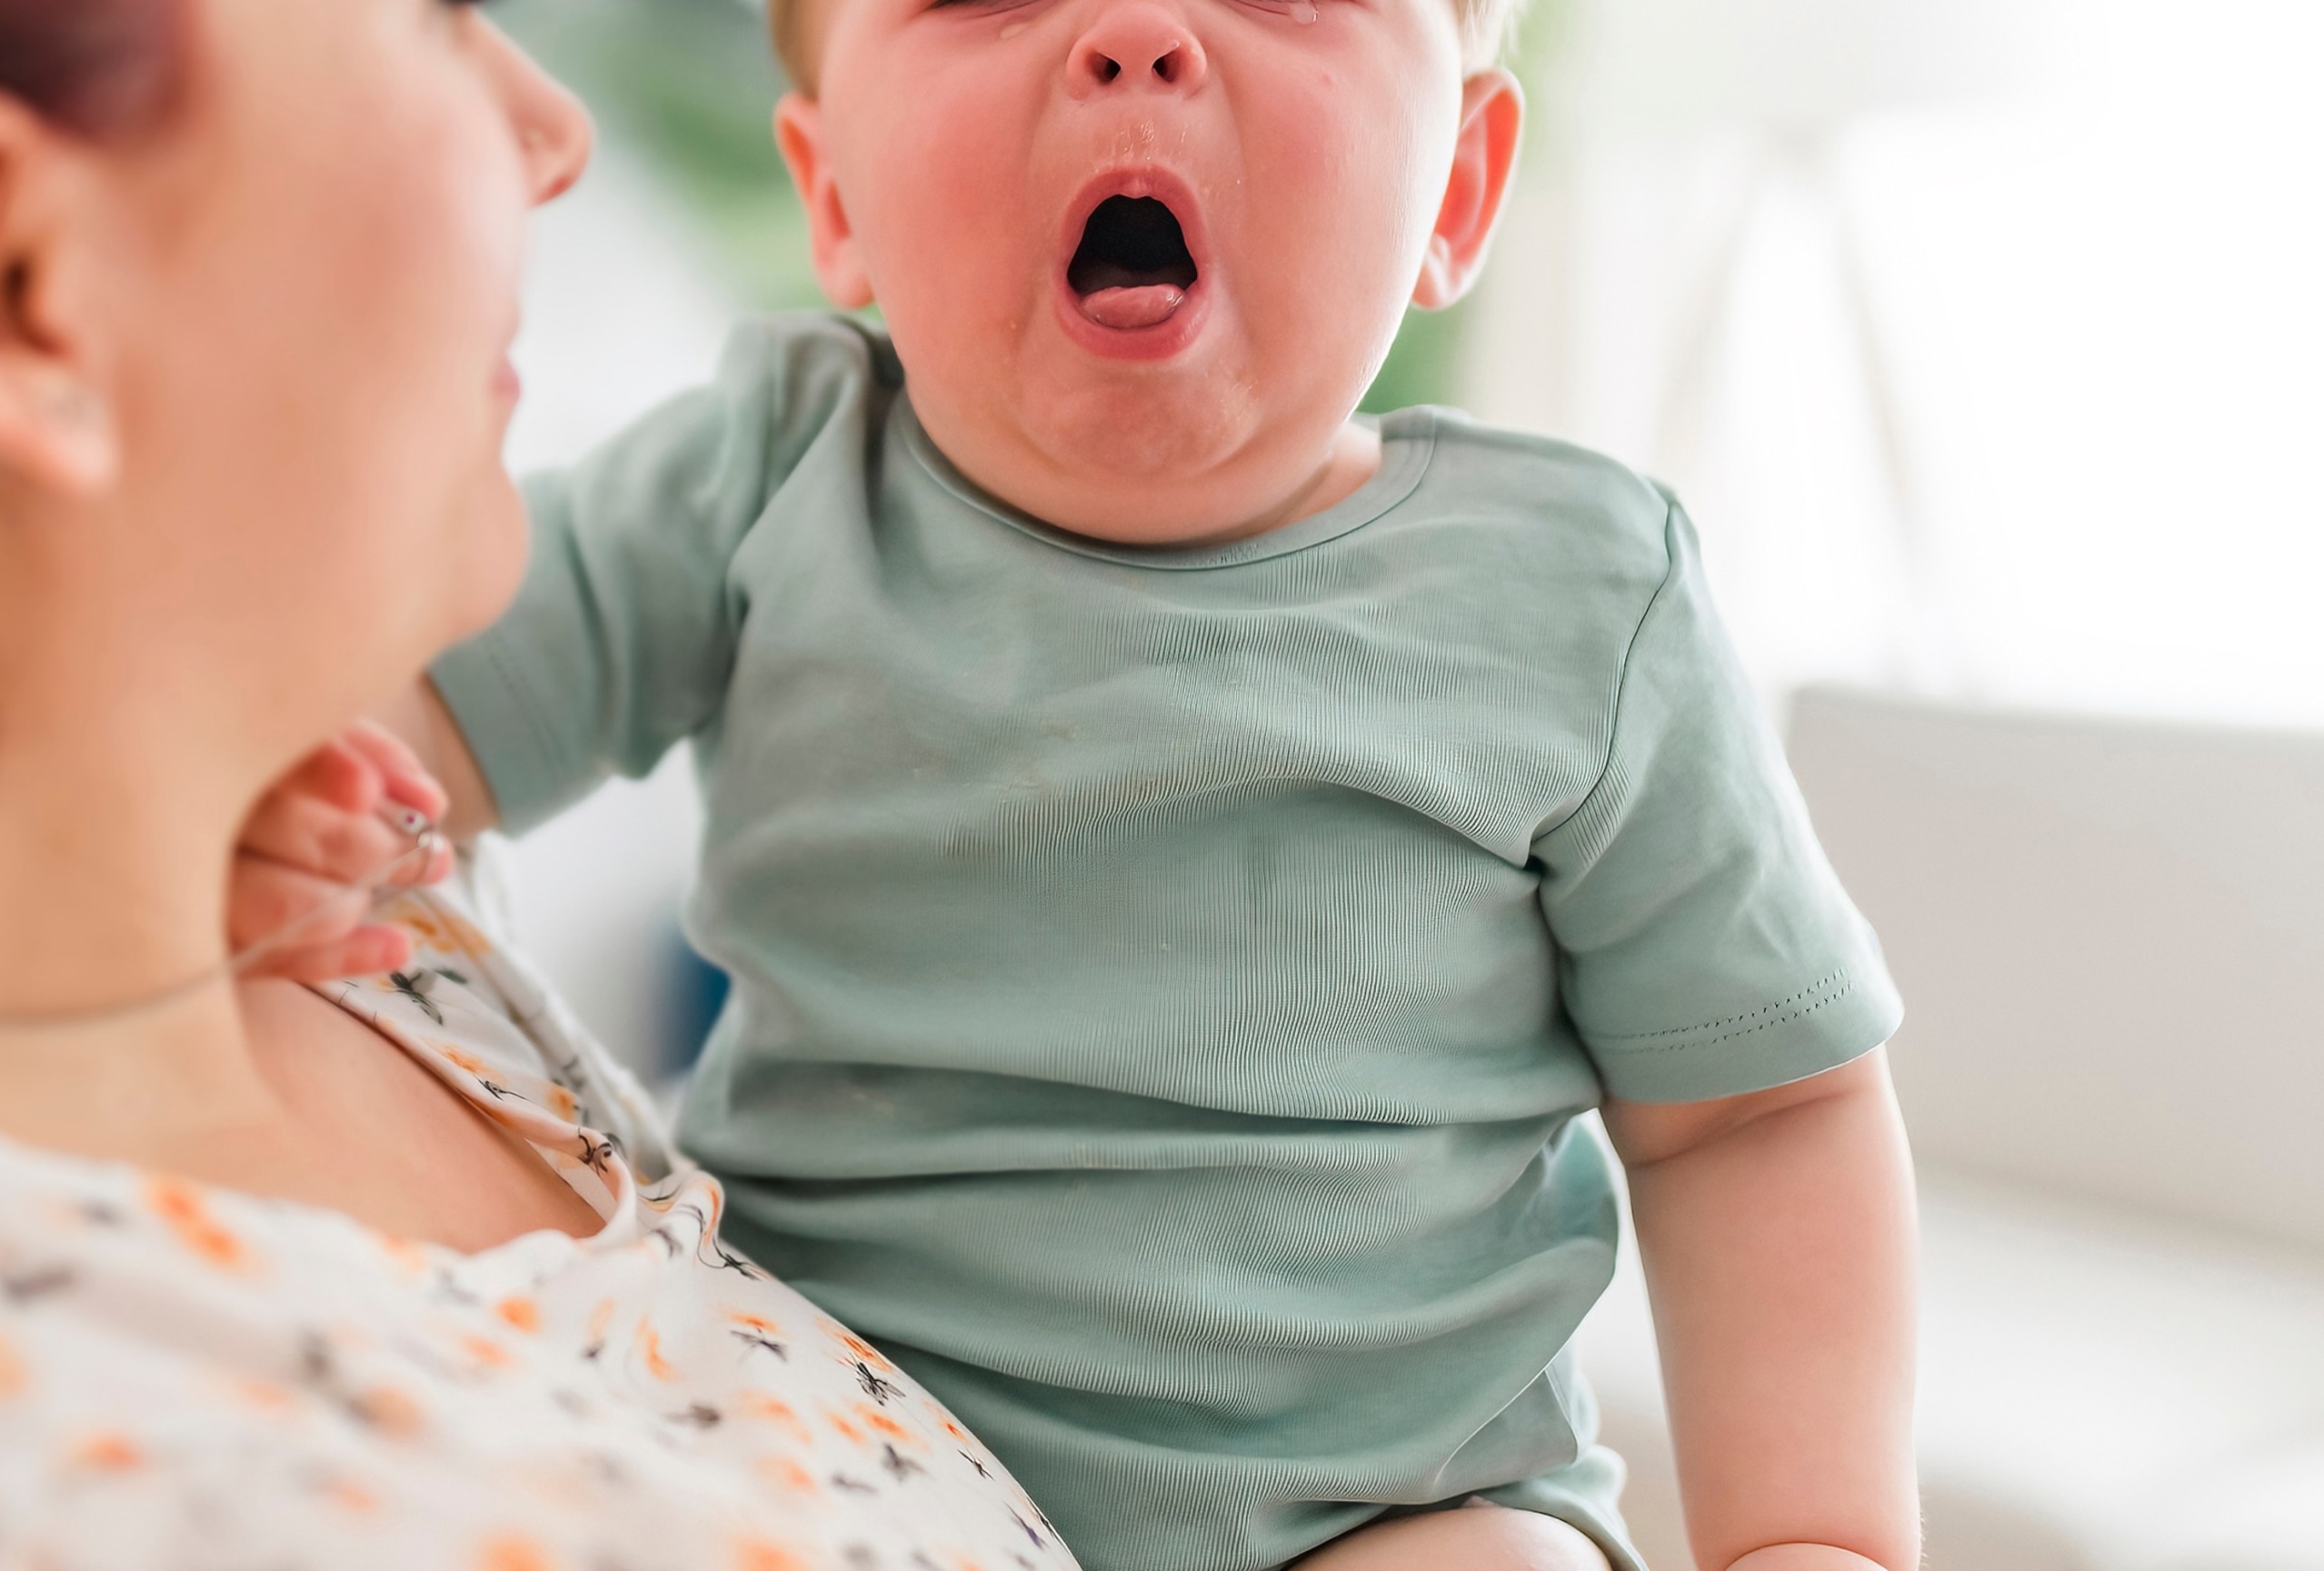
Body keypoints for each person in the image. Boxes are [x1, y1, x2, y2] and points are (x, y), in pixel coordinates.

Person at [244, 1, 1926, 1568]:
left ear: (1459, 190)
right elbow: (421, 723)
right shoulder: (766, 476)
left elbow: (1760, 1116)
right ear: (834, 196)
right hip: (829, 1457)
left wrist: (1812, 1537)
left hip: (1392, 1512)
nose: (1133, 39)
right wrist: (285, 806)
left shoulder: (1578, 594)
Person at [0, 4, 1074, 1568]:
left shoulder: (292, 904)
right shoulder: (95, 1501)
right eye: (434, 19)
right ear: (18, 288)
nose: (554, 134)